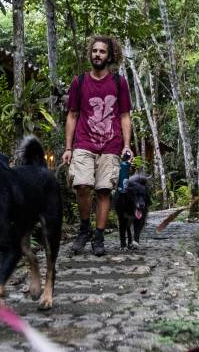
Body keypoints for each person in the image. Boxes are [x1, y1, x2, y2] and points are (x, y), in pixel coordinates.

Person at [62, 35, 133, 256]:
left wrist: (127, 146)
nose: (97, 55)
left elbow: (124, 115)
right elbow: (72, 115)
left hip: (111, 145)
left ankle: (99, 236)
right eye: (94, 51)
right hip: (84, 143)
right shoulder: (79, 82)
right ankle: (85, 229)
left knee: (104, 191)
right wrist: (68, 147)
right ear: (90, 54)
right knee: (82, 186)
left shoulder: (119, 82)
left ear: (109, 55)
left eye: (102, 51)